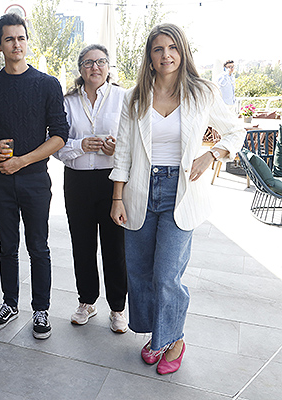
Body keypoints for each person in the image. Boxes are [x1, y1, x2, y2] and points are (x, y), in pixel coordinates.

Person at [109, 23, 244, 375]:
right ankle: (159, 335)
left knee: (167, 274)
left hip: (181, 191)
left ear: (182, 52)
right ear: (150, 58)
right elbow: (123, 150)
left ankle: (175, 339)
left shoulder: (203, 92)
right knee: (139, 271)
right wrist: (117, 197)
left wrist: (212, 154)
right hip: (141, 190)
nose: (165, 54)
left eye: (172, 48)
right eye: (158, 49)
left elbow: (235, 130)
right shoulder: (134, 96)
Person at [0, 13, 69, 340]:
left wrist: (22, 161)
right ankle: (10, 303)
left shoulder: (47, 85)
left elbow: (59, 135)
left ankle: (41, 309)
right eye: (10, 39)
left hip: (34, 179)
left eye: (21, 38)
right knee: (7, 247)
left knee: (38, 246)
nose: (16, 44)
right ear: (0, 44)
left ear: (27, 42)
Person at [53, 44, 128, 333]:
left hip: (113, 182)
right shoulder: (68, 101)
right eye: (88, 63)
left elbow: (134, 141)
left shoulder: (124, 98)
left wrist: (115, 148)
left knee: (115, 246)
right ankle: (86, 301)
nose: (94, 67)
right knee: (82, 244)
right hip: (78, 181)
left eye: (100, 62)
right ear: (80, 68)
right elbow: (57, 143)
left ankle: (118, 308)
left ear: (109, 66)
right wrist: (79, 145)